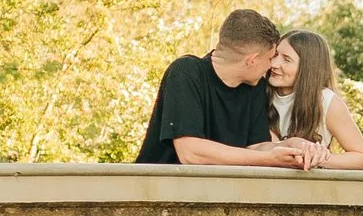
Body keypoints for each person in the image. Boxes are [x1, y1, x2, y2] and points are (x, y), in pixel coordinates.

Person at [136, 9, 321, 166]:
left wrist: (291, 145)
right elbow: (190, 152)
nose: (272, 65)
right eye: (271, 57)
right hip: (157, 195)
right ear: (252, 60)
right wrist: (267, 158)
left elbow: (256, 146)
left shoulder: (256, 87)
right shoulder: (186, 73)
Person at [266, 29, 363, 168]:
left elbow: (362, 157)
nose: (274, 64)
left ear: (307, 68)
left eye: (286, 59)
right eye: (275, 55)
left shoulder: (327, 101)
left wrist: (315, 158)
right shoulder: (258, 92)